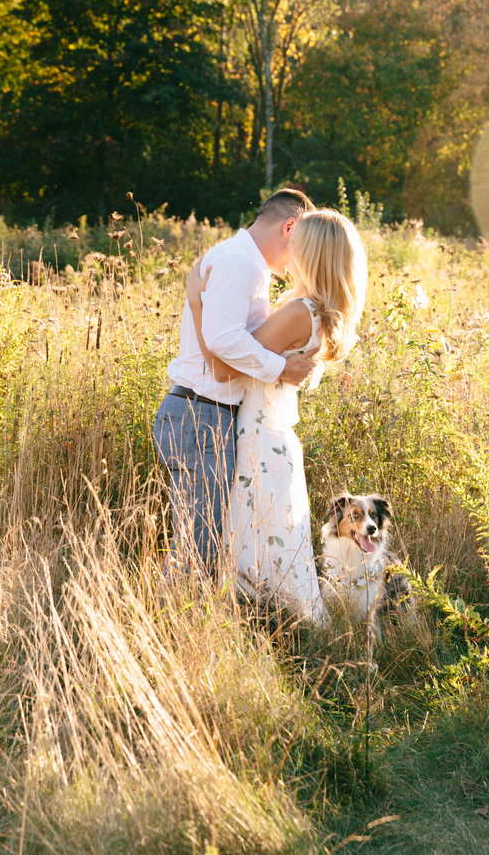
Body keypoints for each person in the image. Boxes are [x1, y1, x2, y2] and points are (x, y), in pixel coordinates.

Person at [187, 209, 367, 622]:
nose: (288, 247)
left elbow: (221, 367)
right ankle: (281, 629)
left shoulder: (298, 312)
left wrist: (198, 304)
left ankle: (267, 628)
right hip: (273, 439)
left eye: (297, 242)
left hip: (261, 442)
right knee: (273, 543)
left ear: (310, 253)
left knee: (256, 542)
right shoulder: (316, 312)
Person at [153, 189, 317, 575]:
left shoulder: (248, 266)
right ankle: (171, 626)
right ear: (289, 227)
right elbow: (225, 342)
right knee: (197, 548)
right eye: (302, 244)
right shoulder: (238, 263)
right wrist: (280, 368)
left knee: (202, 543)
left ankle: (177, 623)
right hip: (201, 415)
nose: (300, 258)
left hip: (207, 414)